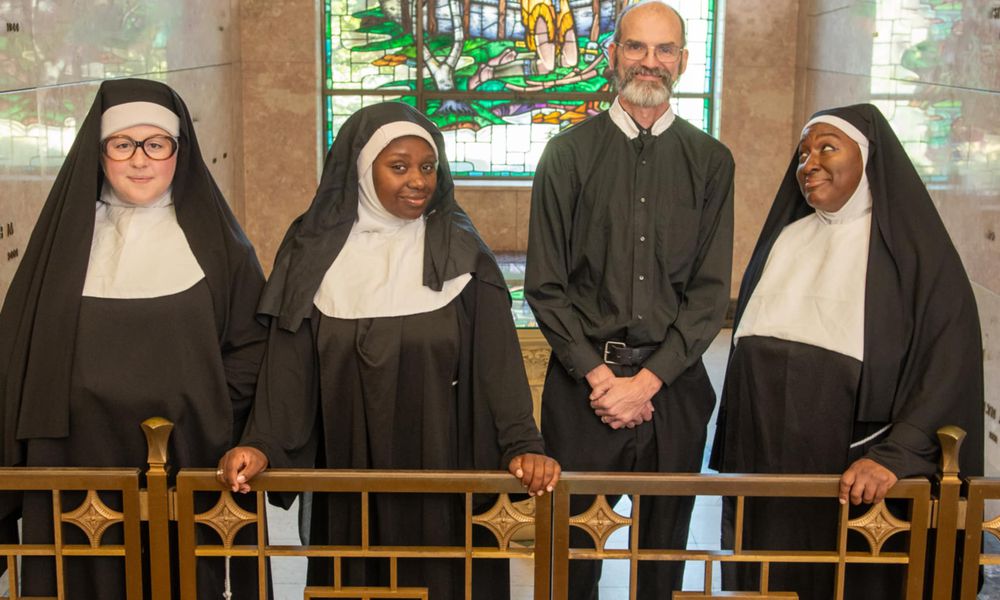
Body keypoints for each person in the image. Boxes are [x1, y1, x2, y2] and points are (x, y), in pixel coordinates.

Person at [217, 101, 561, 598]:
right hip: (347, 464)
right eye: (398, 167)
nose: (417, 181)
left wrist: (522, 444)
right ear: (361, 170)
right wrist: (262, 443)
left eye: (427, 167)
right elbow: (289, 366)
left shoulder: (464, 254)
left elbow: (498, 367)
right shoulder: (311, 253)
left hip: (445, 464)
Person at [0, 79, 267, 597]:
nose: (139, 160)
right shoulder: (63, 244)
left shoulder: (220, 246)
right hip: (74, 452)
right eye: (122, 145)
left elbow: (252, 346)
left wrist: (208, 409)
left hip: (186, 453)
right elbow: (19, 351)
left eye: (156, 144)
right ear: (99, 155)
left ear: (177, 153)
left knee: (178, 579)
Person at [710, 104, 984, 599]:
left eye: (827, 148)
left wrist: (895, 456)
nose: (809, 163)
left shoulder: (913, 257)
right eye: (803, 153)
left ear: (869, 158)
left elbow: (947, 368)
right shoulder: (786, 239)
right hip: (767, 471)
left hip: (857, 477)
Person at [525, 0, 735, 595]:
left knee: (662, 557)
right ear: (612, 55)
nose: (650, 62)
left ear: (684, 61)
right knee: (574, 557)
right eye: (636, 48)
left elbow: (709, 293)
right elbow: (545, 285)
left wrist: (646, 383)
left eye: (664, 49)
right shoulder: (566, 155)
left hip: (674, 390)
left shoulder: (712, 163)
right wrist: (601, 379)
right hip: (582, 391)